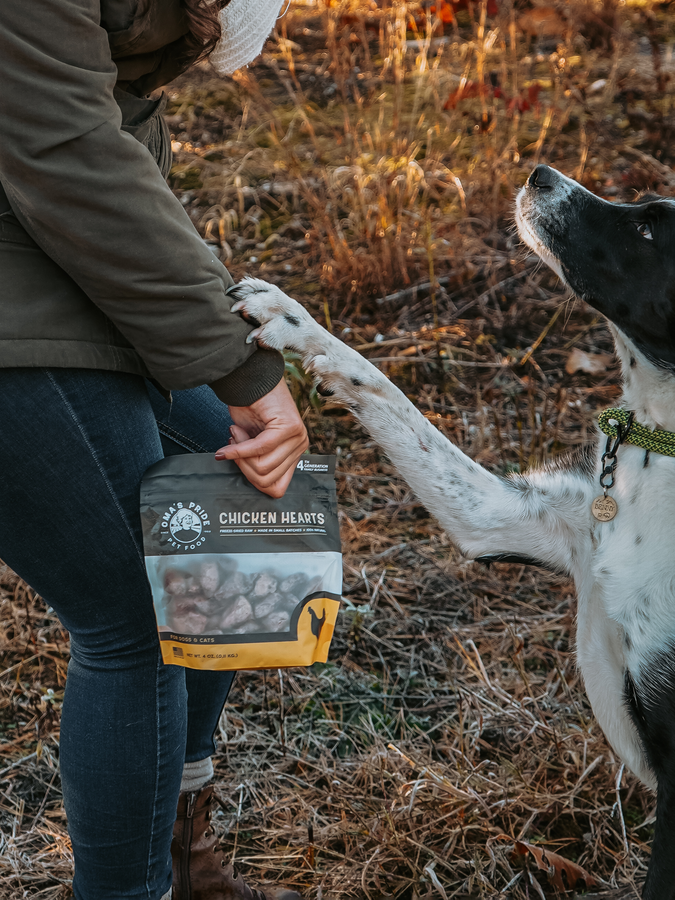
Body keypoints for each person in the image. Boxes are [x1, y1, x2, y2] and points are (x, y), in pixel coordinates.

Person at [0, 1, 309, 898]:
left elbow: (109, 149)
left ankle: (184, 858)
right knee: (139, 617)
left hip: (50, 260)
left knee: (236, 522)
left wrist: (211, 338)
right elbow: (65, 155)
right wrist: (243, 372)